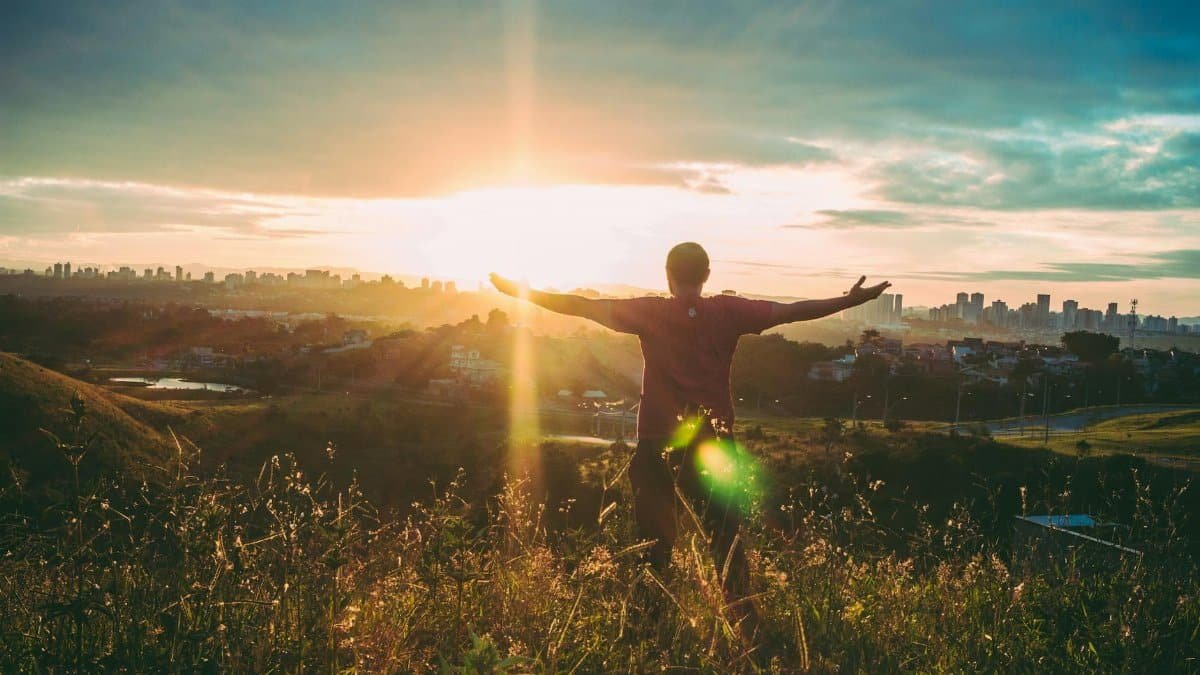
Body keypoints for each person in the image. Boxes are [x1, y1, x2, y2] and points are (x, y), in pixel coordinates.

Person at [490, 242, 890, 631]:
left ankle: (651, 625)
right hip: (713, 443)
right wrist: (848, 301)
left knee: (653, 541)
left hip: (657, 442)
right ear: (707, 276)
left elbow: (580, 305)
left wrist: (520, 293)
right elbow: (790, 312)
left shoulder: (650, 312)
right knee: (725, 537)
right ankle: (745, 624)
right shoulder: (729, 312)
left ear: (668, 277)